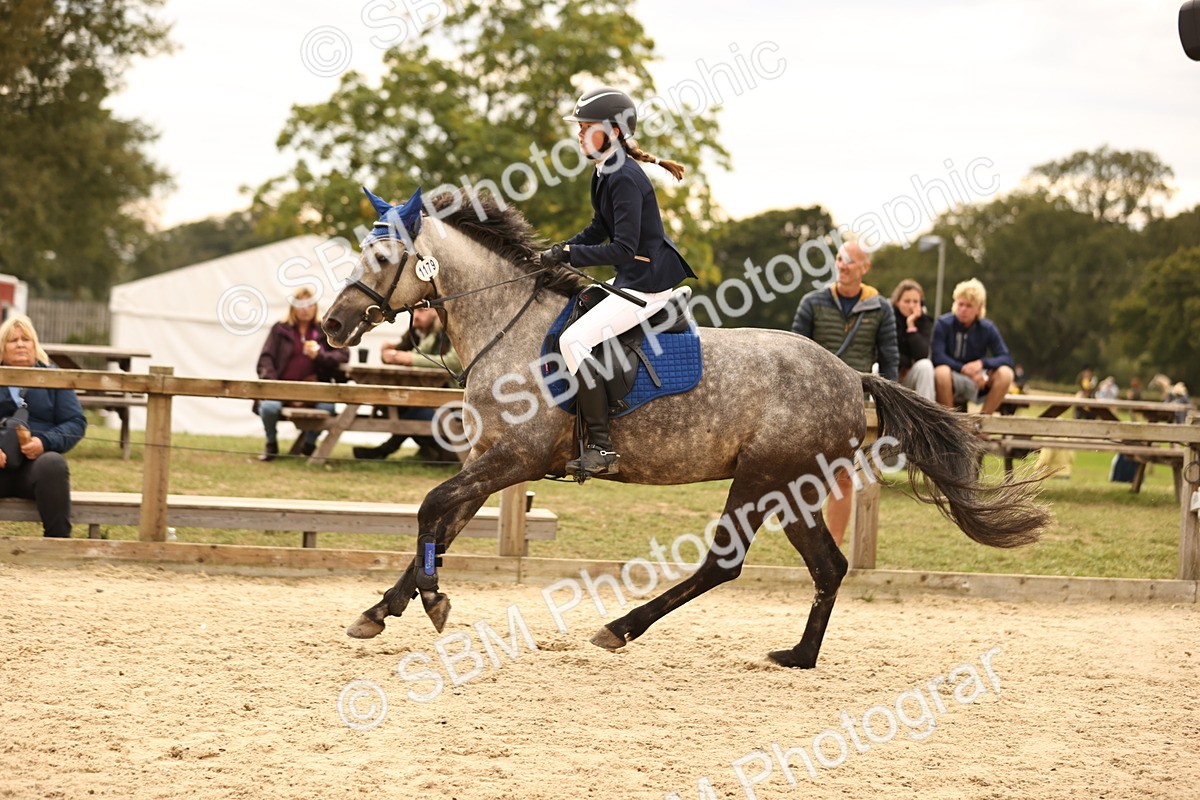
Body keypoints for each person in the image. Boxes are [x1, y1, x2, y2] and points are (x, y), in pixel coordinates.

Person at [539, 86, 697, 478]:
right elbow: (599, 228)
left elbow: (623, 248)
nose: (579, 134)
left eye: (585, 127)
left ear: (611, 131)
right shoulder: (605, 169)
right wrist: (559, 249)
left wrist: (570, 255)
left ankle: (601, 446)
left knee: (573, 341)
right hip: (633, 275)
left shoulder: (624, 176)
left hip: (647, 282)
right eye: (579, 127)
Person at [793, 240, 899, 546]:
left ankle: (833, 547)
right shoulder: (812, 302)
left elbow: (889, 359)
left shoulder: (880, 308)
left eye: (850, 261)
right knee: (801, 475)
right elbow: (794, 353)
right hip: (812, 400)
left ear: (865, 267)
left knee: (842, 475)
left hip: (853, 402)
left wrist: (889, 407)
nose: (842, 265)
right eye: (840, 258)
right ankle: (812, 546)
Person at [0, 314, 86, 537]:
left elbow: (75, 422)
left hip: (35, 468)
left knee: (53, 463)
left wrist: (44, 441)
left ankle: (58, 544)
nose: (20, 344)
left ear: (34, 344)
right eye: (13, 340)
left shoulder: (53, 376)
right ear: (2, 347)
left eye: (26, 339)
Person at [353, 306, 462, 461]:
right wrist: (396, 354)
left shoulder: (454, 329)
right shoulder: (432, 333)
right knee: (399, 405)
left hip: (456, 400)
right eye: (414, 311)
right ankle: (389, 451)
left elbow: (453, 363)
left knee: (410, 411)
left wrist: (409, 358)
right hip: (440, 397)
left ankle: (384, 450)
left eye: (422, 310)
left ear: (436, 311)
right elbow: (416, 353)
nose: (416, 315)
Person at [254, 287, 347, 461]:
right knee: (268, 407)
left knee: (327, 408)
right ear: (293, 307)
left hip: (314, 390)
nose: (305, 309)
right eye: (301, 305)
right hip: (282, 388)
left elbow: (343, 354)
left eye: (309, 305)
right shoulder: (280, 329)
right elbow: (265, 359)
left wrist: (319, 356)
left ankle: (309, 444)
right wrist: (275, 385)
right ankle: (271, 444)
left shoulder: (325, 330)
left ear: (315, 307)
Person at [931, 278, 1014, 414]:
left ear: (979, 308)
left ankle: (982, 421)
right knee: (941, 372)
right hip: (951, 376)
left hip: (979, 379)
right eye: (960, 304)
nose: (963, 309)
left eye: (969, 306)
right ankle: (950, 423)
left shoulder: (987, 327)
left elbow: (1006, 358)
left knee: (1006, 373)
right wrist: (964, 369)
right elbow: (937, 356)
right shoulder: (943, 324)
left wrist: (982, 363)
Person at [890, 279, 935, 401]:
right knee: (876, 368)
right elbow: (886, 351)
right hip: (890, 372)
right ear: (897, 302)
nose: (911, 305)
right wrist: (907, 362)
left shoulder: (924, 321)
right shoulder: (888, 318)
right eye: (907, 301)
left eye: (915, 301)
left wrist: (911, 326)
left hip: (909, 377)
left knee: (926, 366)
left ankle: (926, 411)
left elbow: (922, 354)